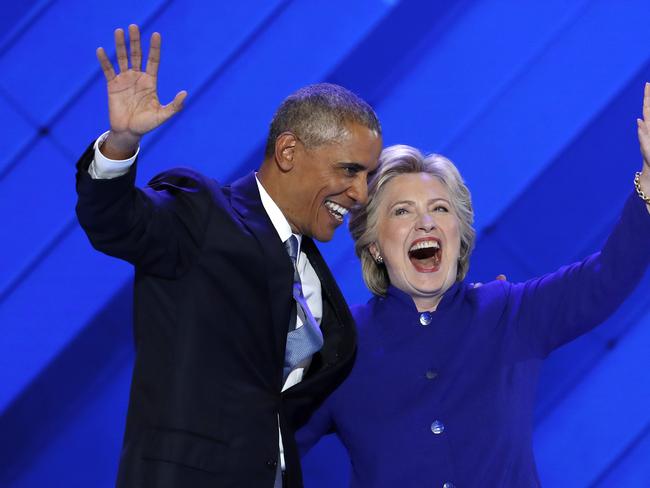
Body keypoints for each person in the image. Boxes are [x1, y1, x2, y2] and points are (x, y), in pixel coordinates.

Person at [74, 25, 382, 488]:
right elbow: (115, 221)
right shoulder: (203, 212)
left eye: (368, 176)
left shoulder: (314, 276)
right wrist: (121, 144)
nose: (360, 193)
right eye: (350, 171)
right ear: (289, 151)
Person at [296, 85, 650, 487]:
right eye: (402, 211)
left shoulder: (508, 314)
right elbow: (267, 448)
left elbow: (607, 277)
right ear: (374, 246)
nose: (425, 222)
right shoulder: (339, 347)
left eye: (439, 209)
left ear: (460, 236)